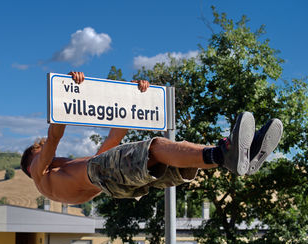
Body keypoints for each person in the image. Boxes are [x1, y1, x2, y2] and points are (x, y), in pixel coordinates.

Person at [21, 72, 283, 204]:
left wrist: (137, 96)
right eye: (39, 150)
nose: (48, 151)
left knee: (176, 155)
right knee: (155, 147)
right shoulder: (40, 174)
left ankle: (229, 156)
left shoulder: (64, 175)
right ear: (31, 163)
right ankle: (227, 152)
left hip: (115, 185)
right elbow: (53, 139)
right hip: (102, 175)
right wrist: (64, 99)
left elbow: (113, 140)